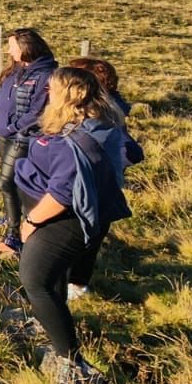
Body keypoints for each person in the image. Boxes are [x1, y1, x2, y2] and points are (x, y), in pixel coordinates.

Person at [14, 66, 141, 384]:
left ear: (70, 96)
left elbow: (62, 194)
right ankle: (54, 332)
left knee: (36, 279)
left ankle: (71, 361)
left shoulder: (80, 138)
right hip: (48, 211)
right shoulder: (80, 125)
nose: (47, 92)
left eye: (53, 88)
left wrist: (30, 222)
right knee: (51, 278)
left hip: (60, 220)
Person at [63, 56, 144, 299]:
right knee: (91, 230)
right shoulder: (110, 111)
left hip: (89, 185)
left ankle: (73, 283)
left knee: (83, 232)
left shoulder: (99, 117)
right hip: (102, 185)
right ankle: (75, 281)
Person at [0, 28, 57, 256]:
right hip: (4, 133)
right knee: (12, 181)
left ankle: (14, 234)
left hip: (23, 137)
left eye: (12, 46)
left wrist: (13, 126)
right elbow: (0, 93)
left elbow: (38, 111)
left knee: (7, 182)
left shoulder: (47, 75)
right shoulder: (16, 69)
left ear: (26, 47)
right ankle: (12, 217)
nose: (9, 50)